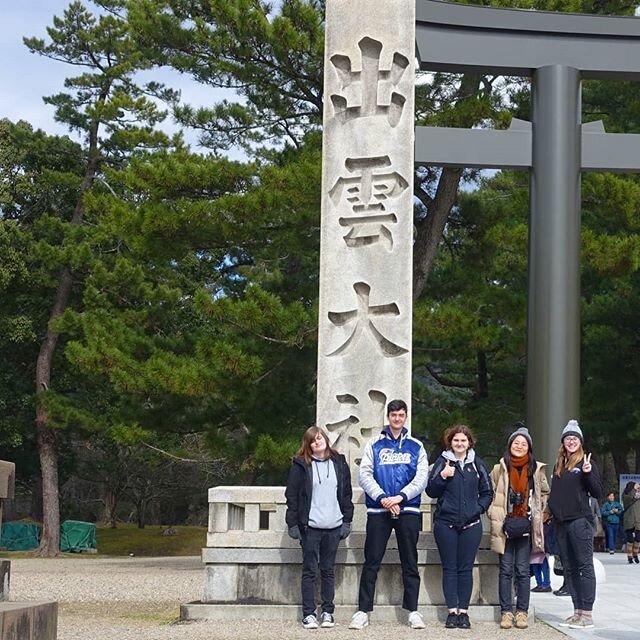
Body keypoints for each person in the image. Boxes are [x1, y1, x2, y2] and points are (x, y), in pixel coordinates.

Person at [349, 399, 429, 630]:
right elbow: (364, 474)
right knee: (371, 561)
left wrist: (400, 497)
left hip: (408, 509)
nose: (397, 418)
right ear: (388, 417)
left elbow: (421, 478)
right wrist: (383, 497)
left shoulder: (416, 446)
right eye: (393, 415)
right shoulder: (374, 444)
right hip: (378, 510)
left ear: (406, 417)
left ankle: (413, 611)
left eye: (401, 415)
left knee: (410, 561)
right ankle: (363, 610)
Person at [285, 426, 353, 629]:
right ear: (308, 445)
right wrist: (293, 524)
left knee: (328, 570)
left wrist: (347, 520)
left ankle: (327, 612)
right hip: (310, 527)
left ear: (325, 439)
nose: (317, 442)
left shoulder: (339, 463)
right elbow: (292, 496)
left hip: (333, 525)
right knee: (309, 570)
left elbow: (346, 493)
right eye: (313, 440)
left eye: (319, 438)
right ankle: (308, 613)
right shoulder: (301, 465)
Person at [427, 424, 493, 630]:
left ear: (469, 442)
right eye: (456, 440)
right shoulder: (442, 461)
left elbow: (487, 492)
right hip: (445, 524)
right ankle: (451, 611)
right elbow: (431, 490)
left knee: (465, 568)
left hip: (471, 524)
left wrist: (478, 509)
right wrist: (443, 476)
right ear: (450, 442)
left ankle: (463, 611)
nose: (459, 443)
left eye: (463, 440)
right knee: (450, 568)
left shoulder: (477, 464)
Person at [487, 425, 550, 630]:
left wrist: (540, 513)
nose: (519, 446)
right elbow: (489, 492)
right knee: (505, 570)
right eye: (516, 443)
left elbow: (545, 493)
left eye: (524, 444)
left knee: (523, 570)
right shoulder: (499, 468)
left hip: (526, 525)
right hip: (504, 525)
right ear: (510, 445)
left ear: (529, 448)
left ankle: (522, 611)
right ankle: (506, 611)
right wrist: (493, 513)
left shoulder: (536, 469)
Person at [546, 419, 602, 630]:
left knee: (584, 565)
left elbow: (596, 492)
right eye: (568, 438)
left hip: (580, 521)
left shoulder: (586, 463)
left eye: (575, 438)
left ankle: (587, 612)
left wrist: (587, 473)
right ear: (563, 442)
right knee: (569, 567)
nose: (571, 441)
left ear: (580, 442)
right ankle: (577, 610)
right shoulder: (559, 465)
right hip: (561, 523)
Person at [622, 481, 640, 564]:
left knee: (638, 539)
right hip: (629, 520)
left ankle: (635, 555)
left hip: (638, 521)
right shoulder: (625, 496)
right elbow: (630, 498)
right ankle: (629, 556)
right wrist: (634, 490)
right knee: (630, 539)